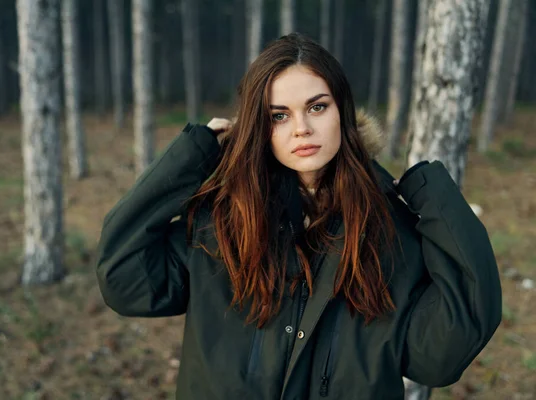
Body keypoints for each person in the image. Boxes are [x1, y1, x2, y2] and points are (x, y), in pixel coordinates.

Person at [95, 33, 502, 399]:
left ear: (341, 110)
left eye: (317, 107)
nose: (301, 129)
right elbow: (125, 278)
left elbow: (441, 354)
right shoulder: (222, 222)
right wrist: (194, 155)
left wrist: (428, 192)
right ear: (259, 126)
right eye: (279, 115)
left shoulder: (391, 231)